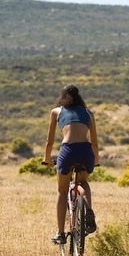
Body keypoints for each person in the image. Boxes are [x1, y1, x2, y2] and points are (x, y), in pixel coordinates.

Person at [43, 84, 100, 245]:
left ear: (62, 97)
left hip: (68, 150)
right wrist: (95, 161)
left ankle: (61, 233)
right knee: (83, 182)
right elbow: (94, 142)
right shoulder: (89, 113)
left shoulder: (57, 111)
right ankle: (88, 210)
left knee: (62, 190)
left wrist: (47, 159)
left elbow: (49, 141)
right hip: (85, 151)